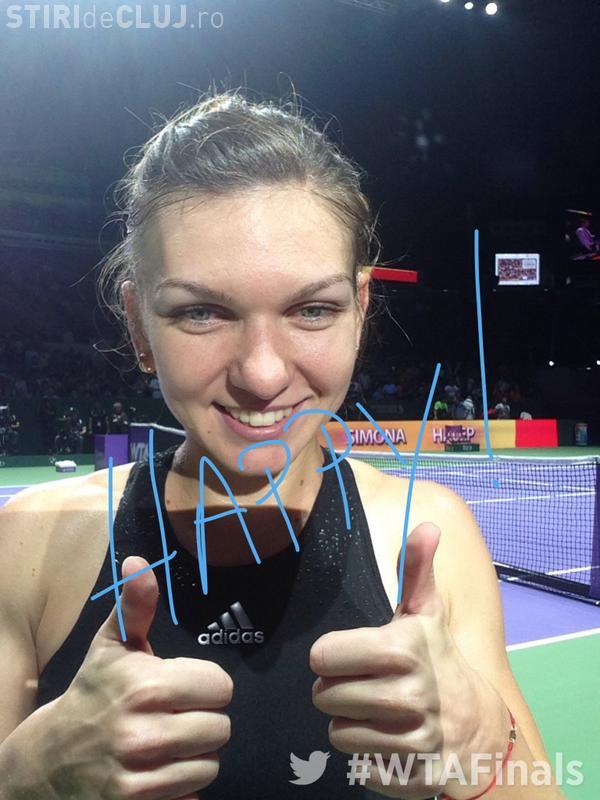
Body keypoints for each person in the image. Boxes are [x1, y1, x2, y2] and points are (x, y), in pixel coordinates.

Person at [0, 90, 562, 800]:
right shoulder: (30, 544)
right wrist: (28, 779)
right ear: (139, 325)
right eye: (202, 312)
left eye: (313, 309)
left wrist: (482, 745)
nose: (262, 375)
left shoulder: (431, 532)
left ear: (360, 311)